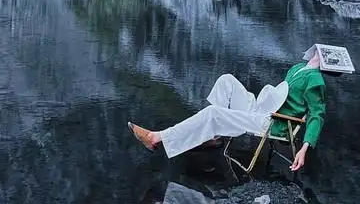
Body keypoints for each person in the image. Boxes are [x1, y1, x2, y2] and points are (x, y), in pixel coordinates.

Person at [128, 48, 327, 172]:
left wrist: (304, 148)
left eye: (323, 53)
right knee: (227, 81)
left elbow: (316, 115)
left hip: (273, 122)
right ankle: (213, 134)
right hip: (262, 108)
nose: (318, 50)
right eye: (319, 49)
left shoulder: (315, 80)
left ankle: (157, 138)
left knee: (213, 114)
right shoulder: (299, 67)